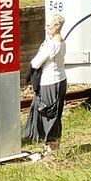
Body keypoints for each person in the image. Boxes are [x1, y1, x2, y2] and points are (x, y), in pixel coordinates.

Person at [23, 13, 67, 153]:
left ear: (57, 26)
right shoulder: (62, 42)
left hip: (50, 82)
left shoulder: (51, 45)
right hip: (61, 80)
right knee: (56, 113)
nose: (47, 28)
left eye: (49, 26)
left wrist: (27, 77)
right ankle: (55, 145)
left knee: (48, 113)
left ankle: (51, 147)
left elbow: (35, 63)